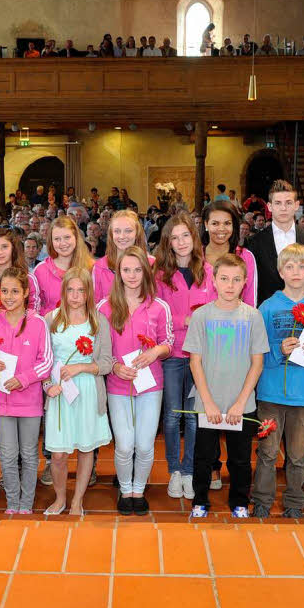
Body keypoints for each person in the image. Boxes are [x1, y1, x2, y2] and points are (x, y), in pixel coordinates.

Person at [252, 244, 304, 518]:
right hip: (270, 393)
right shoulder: (268, 307)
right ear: (280, 271)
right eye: (289, 267)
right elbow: (257, 348)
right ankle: (262, 500)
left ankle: (294, 502)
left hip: (303, 395)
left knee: (298, 456)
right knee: (267, 452)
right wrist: (278, 350)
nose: (295, 272)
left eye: (302, 267)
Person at [186, 253, 269, 518]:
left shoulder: (253, 317)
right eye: (224, 279)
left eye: (236, 279)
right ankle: (200, 500)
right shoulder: (201, 316)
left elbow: (257, 364)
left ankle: (240, 502)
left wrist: (241, 402)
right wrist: (207, 401)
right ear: (214, 281)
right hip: (207, 401)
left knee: (240, 459)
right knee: (203, 457)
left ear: (245, 282)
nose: (230, 285)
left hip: (241, 403)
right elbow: (195, 362)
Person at [98, 247, 172, 515]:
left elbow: (169, 342)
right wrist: (115, 367)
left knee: (144, 443)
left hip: (150, 384)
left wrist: (155, 351)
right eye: (126, 270)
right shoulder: (105, 307)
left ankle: (138, 491)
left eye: (137, 270)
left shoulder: (158, 306)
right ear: (118, 273)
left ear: (146, 272)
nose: (131, 275)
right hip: (118, 386)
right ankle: (124, 487)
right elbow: (99, 349)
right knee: (125, 444)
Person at [153, 214, 216, 500]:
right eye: (174, 237)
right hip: (171, 353)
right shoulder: (160, 275)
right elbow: (155, 313)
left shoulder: (208, 271)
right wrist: (185, 319)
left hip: (200, 356)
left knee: (193, 416)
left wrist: (201, 321)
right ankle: (174, 471)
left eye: (185, 236)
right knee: (171, 415)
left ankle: (189, 470)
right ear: (167, 242)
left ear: (194, 238)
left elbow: (217, 311)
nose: (181, 242)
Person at [42, 268, 114, 516]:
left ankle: (77, 501)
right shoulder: (51, 319)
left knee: (86, 449)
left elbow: (107, 363)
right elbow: (42, 360)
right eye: (70, 290)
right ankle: (61, 497)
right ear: (63, 291)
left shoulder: (98, 320)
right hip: (60, 393)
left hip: (87, 391)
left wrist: (81, 367)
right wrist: (47, 386)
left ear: (88, 293)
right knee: (59, 454)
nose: (75, 296)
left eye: (81, 290)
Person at [0, 267, 52, 514]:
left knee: (29, 453)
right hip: (0, 400)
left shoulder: (38, 323)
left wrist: (23, 379)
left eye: (15, 291)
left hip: (29, 401)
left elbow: (46, 361)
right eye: (4, 291)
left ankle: (27, 503)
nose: (9, 296)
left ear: (25, 293)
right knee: (8, 454)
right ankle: (13, 502)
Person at [249, 180, 304, 306]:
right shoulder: (254, 242)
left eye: (288, 203)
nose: (283, 208)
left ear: (296, 205)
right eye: (278, 203)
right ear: (269, 206)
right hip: (267, 315)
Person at [33, 216, 95, 312]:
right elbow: (33, 306)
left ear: (76, 238)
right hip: (51, 325)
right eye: (57, 239)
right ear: (51, 241)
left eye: (67, 237)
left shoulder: (92, 267)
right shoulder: (41, 270)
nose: (62, 243)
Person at [0, 228, 41, 314]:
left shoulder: (27, 278)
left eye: (5, 247)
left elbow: (34, 309)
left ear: (13, 248)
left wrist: (16, 315)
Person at [93, 209, 152, 301]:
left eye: (128, 231)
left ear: (137, 233)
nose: (122, 236)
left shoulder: (151, 264)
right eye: (117, 231)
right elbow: (95, 305)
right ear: (111, 234)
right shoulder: (99, 267)